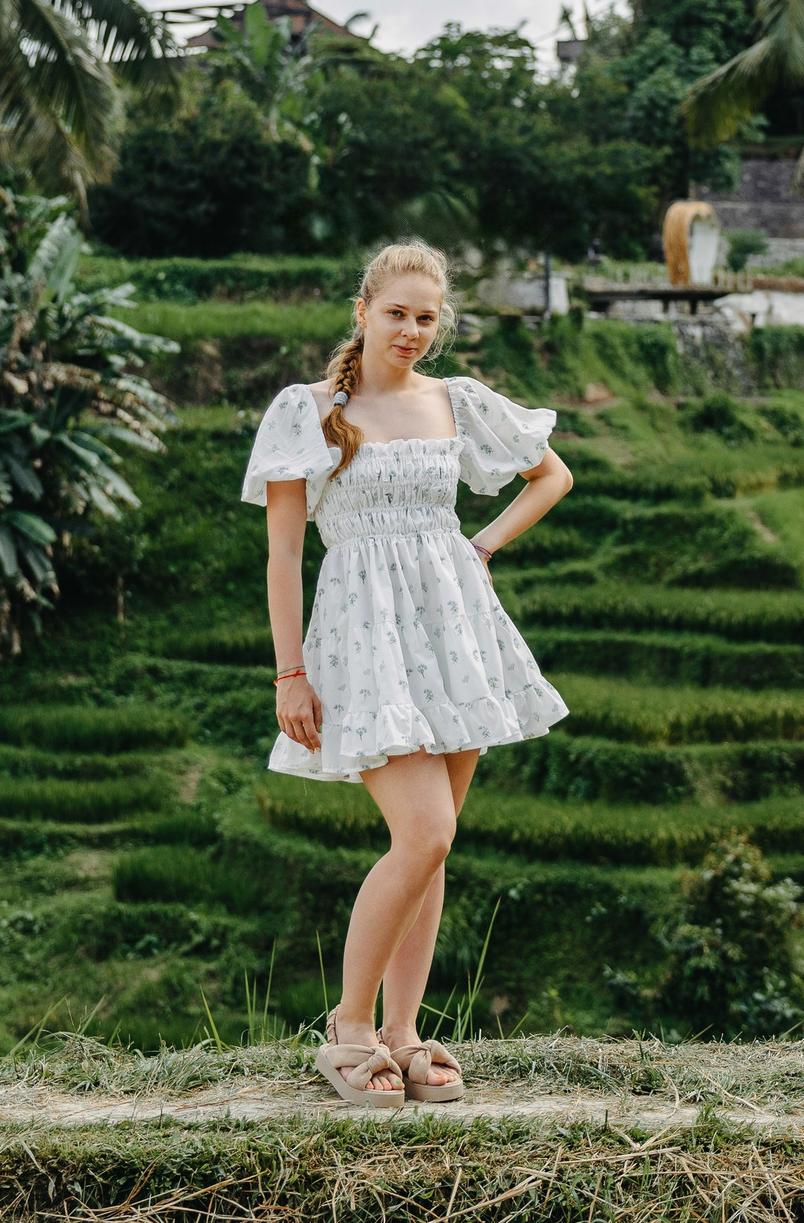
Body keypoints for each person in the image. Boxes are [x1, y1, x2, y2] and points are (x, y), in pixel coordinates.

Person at [244, 242, 572, 1108]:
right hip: (363, 638)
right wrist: (290, 673)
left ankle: (404, 1034)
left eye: (427, 317)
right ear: (363, 311)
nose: (413, 330)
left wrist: (484, 544)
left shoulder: (455, 401)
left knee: (434, 850)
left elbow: (552, 474)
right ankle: (350, 1030)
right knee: (423, 833)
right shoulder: (308, 409)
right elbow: (282, 553)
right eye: (398, 313)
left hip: (455, 631)